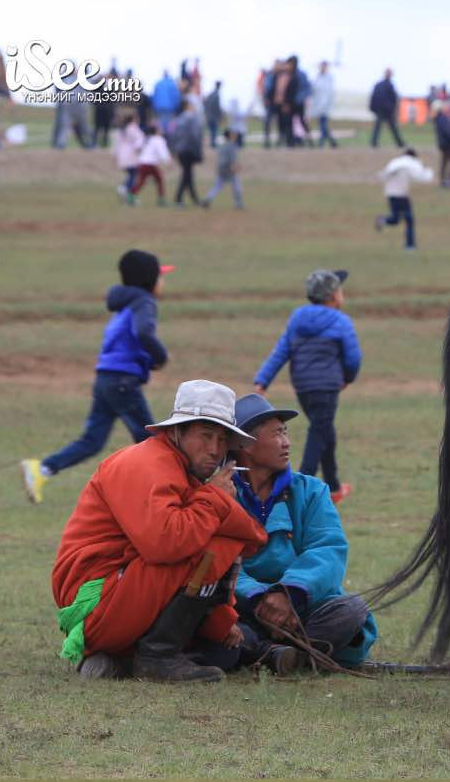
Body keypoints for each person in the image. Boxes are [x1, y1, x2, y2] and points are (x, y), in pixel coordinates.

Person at [50, 379, 269, 682]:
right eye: (206, 436)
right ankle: (157, 656)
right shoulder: (145, 464)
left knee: (223, 652)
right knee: (217, 545)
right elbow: (165, 543)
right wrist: (217, 499)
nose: (215, 450)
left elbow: (246, 534)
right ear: (177, 431)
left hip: (119, 594)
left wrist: (222, 620)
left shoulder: (177, 468)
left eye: (222, 440)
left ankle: (123, 659)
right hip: (97, 604)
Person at [229, 393, 377, 672]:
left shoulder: (311, 490)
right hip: (246, 607)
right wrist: (260, 599)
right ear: (245, 444)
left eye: (285, 433)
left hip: (302, 607)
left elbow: (328, 549)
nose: (286, 443)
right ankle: (291, 655)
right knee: (212, 617)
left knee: (351, 609)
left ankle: (273, 655)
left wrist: (288, 594)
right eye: (276, 434)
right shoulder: (222, 494)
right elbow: (221, 562)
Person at [21, 250, 173, 503]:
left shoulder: (124, 306)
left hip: (105, 379)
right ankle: (159, 495)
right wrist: (159, 357)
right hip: (122, 382)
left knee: (93, 440)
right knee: (152, 442)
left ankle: (41, 470)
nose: (163, 282)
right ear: (150, 280)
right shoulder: (145, 302)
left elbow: (123, 341)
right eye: (161, 276)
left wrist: (143, 361)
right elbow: (144, 333)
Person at [253, 269, 361, 501]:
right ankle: (298, 486)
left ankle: (333, 487)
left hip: (303, 387)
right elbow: (353, 357)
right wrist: (348, 377)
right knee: (319, 431)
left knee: (324, 429)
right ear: (333, 295)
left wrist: (263, 380)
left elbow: (281, 350)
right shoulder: (340, 320)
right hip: (328, 386)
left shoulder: (297, 318)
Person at [374, 147, 433, 249]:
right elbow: (421, 177)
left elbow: (385, 174)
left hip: (392, 194)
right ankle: (410, 245)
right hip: (400, 195)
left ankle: (382, 220)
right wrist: (428, 172)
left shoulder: (396, 162)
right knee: (408, 220)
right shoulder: (410, 165)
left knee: (396, 219)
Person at [168, 101, 204, 208]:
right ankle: (178, 199)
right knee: (186, 175)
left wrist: (173, 149)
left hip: (180, 150)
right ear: (188, 106)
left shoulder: (177, 120)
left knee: (188, 174)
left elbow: (172, 135)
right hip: (189, 150)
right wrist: (198, 152)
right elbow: (195, 135)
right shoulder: (192, 119)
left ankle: (194, 199)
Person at [203, 128, 244, 209]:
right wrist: (235, 167)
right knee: (236, 185)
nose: (234, 135)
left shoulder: (222, 146)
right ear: (230, 136)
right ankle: (238, 203)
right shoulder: (232, 146)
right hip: (229, 169)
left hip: (221, 169)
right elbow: (232, 159)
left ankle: (207, 198)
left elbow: (220, 159)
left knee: (217, 186)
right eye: (233, 134)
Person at [132, 124, 172, 206]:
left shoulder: (146, 138)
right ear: (156, 131)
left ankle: (131, 196)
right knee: (159, 180)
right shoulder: (158, 139)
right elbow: (163, 153)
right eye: (159, 129)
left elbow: (136, 146)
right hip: (150, 164)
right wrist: (168, 161)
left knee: (141, 181)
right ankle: (161, 200)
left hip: (142, 162)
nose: (161, 131)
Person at [369, 69, 403, 147]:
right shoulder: (385, 85)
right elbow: (375, 97)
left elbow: (393, 98)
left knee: (388, 127)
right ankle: (374, 142)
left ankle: (399, 142)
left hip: (385, 110)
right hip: (384, 110)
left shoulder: (383, 85)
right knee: (383, 127)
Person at [311, 62, 338, 148]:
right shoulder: (317, 78)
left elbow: (330, 93)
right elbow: (314, 91)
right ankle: (332, 142)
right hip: (318, 106)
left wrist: (326, 104)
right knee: (323, 125)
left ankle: (321, 143)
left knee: (323, 125)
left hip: (326, 106)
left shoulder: (329, 79)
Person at [434, 102, 450, 187]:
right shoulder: (443, 119)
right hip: (447, 144)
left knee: (445, 162)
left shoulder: (439, 119)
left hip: (443, 144)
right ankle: (449, 180)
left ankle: (443, 180)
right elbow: (447, 132)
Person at [203, 80, 224, 148]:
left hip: (209, 115)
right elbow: (217, 107)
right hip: (213, 116)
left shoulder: (211, 94)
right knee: (214, 130)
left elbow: (205, 103)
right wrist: (220, 116)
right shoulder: (216, 95)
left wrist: (206, 113)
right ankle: (213, 144)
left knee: (212, 130)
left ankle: (212, 143)